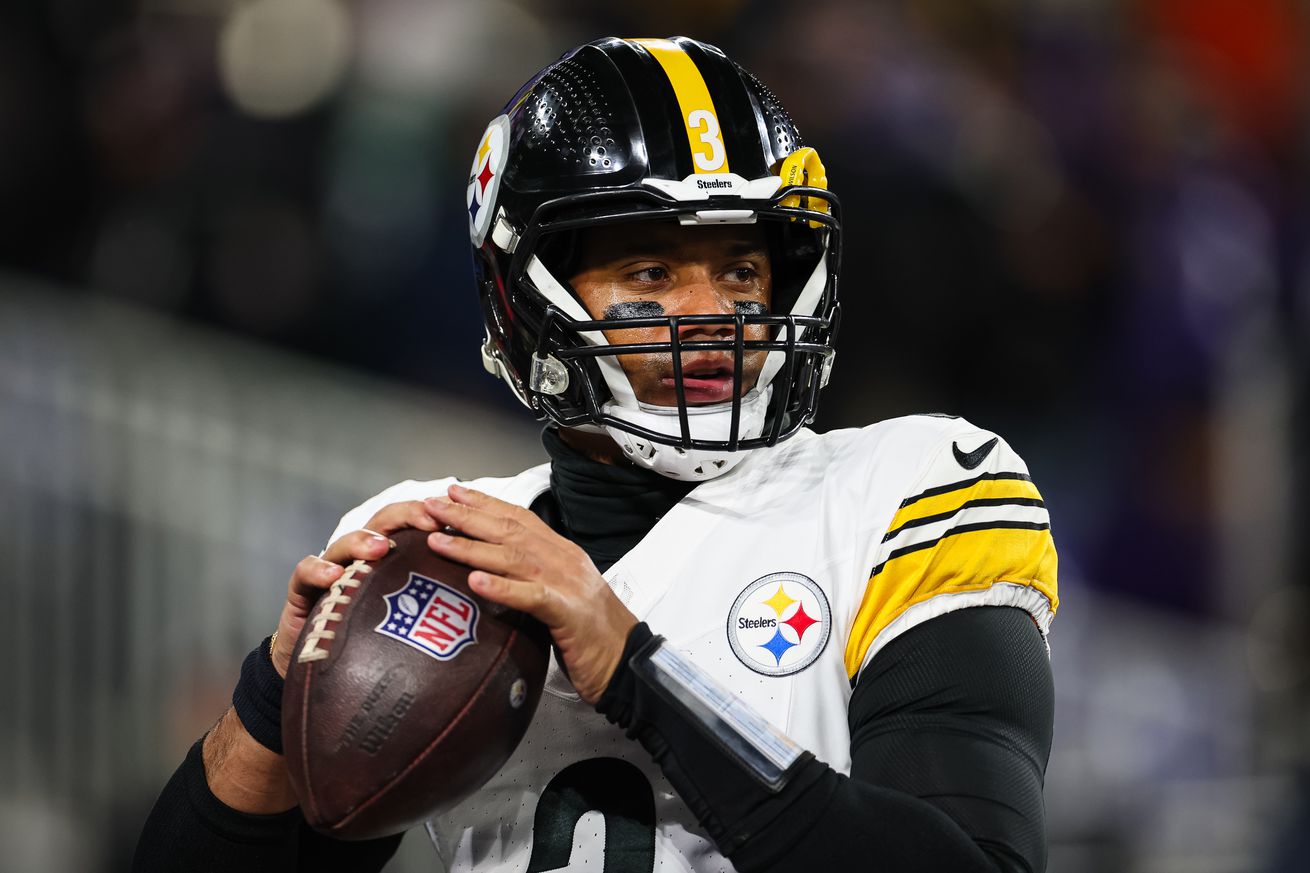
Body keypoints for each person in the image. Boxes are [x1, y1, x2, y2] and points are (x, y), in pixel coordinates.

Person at [134, 36, 1059, 873]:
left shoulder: (910, 488)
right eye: (650, 272)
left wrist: (632, 670)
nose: (711, 314)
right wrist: (276, 689)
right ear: (522, 295)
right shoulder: (443, 547)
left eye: (742, 268)